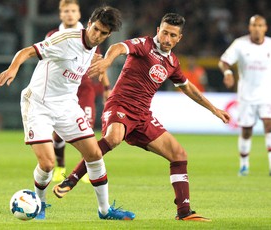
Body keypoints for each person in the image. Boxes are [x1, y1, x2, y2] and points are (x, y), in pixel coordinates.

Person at [53, 13, 230, 221]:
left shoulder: (172, 62)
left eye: (172, 35)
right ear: (158, 30)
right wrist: (107, 62)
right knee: (113, 138)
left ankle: (184, 212)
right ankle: (71, 180)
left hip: (142, 116)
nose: (167, 39)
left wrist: (214, 109)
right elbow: (118, 47)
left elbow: (188, 88)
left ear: (179, 38)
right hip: (119, 106)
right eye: (164, 33)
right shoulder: (144, 45)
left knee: (179, 155)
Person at [0, 6, 135, 221]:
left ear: (108, 35)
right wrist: (13, 68)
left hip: (67, 105)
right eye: (95, 29)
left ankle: (105, 211)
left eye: (103, 33)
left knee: (95, 154)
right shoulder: (65, 39)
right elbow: (27, 51)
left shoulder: (94, 50)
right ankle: (39, 205)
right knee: (48, 164)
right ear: (89, 23)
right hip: (38, 104)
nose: (97, 35)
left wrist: (106, 86)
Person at [46, 0, 111, 183]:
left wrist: (106, 87)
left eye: (73, 10)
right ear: (61, 14)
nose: (69, 14)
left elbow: (99, 64)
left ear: (79, 14)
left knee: (86, 129)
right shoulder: (53, 35)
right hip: (61, 90)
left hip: (84, 89)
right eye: (66, 11)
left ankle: (85, 169)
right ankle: (60, 166)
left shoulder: (92, 34)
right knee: (58, 131)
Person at [218, 15, 271, 176]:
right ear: (250, 28)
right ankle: (244, 165)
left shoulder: (270, 45)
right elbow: (223, 61)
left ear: (265, 28)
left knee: (269, 125)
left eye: (260, 25)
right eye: (254, 25)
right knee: (246, 130)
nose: (257, 28)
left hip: (267, 95)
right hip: (246, 96)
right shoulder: (240, 44)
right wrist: (227, 72)